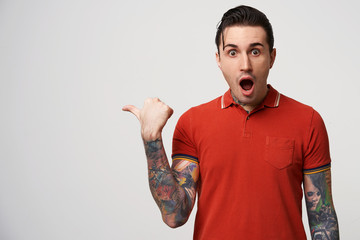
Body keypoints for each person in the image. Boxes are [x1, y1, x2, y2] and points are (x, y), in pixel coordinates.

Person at [123, 5, 339, 240]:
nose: (245, 64)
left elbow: (323, 221)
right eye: (232, 52)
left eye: (255, 51)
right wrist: (151, 139)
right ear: (219, 59)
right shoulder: (193, 123)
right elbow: (175, 214)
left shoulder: (307, 121)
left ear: (272, 57)